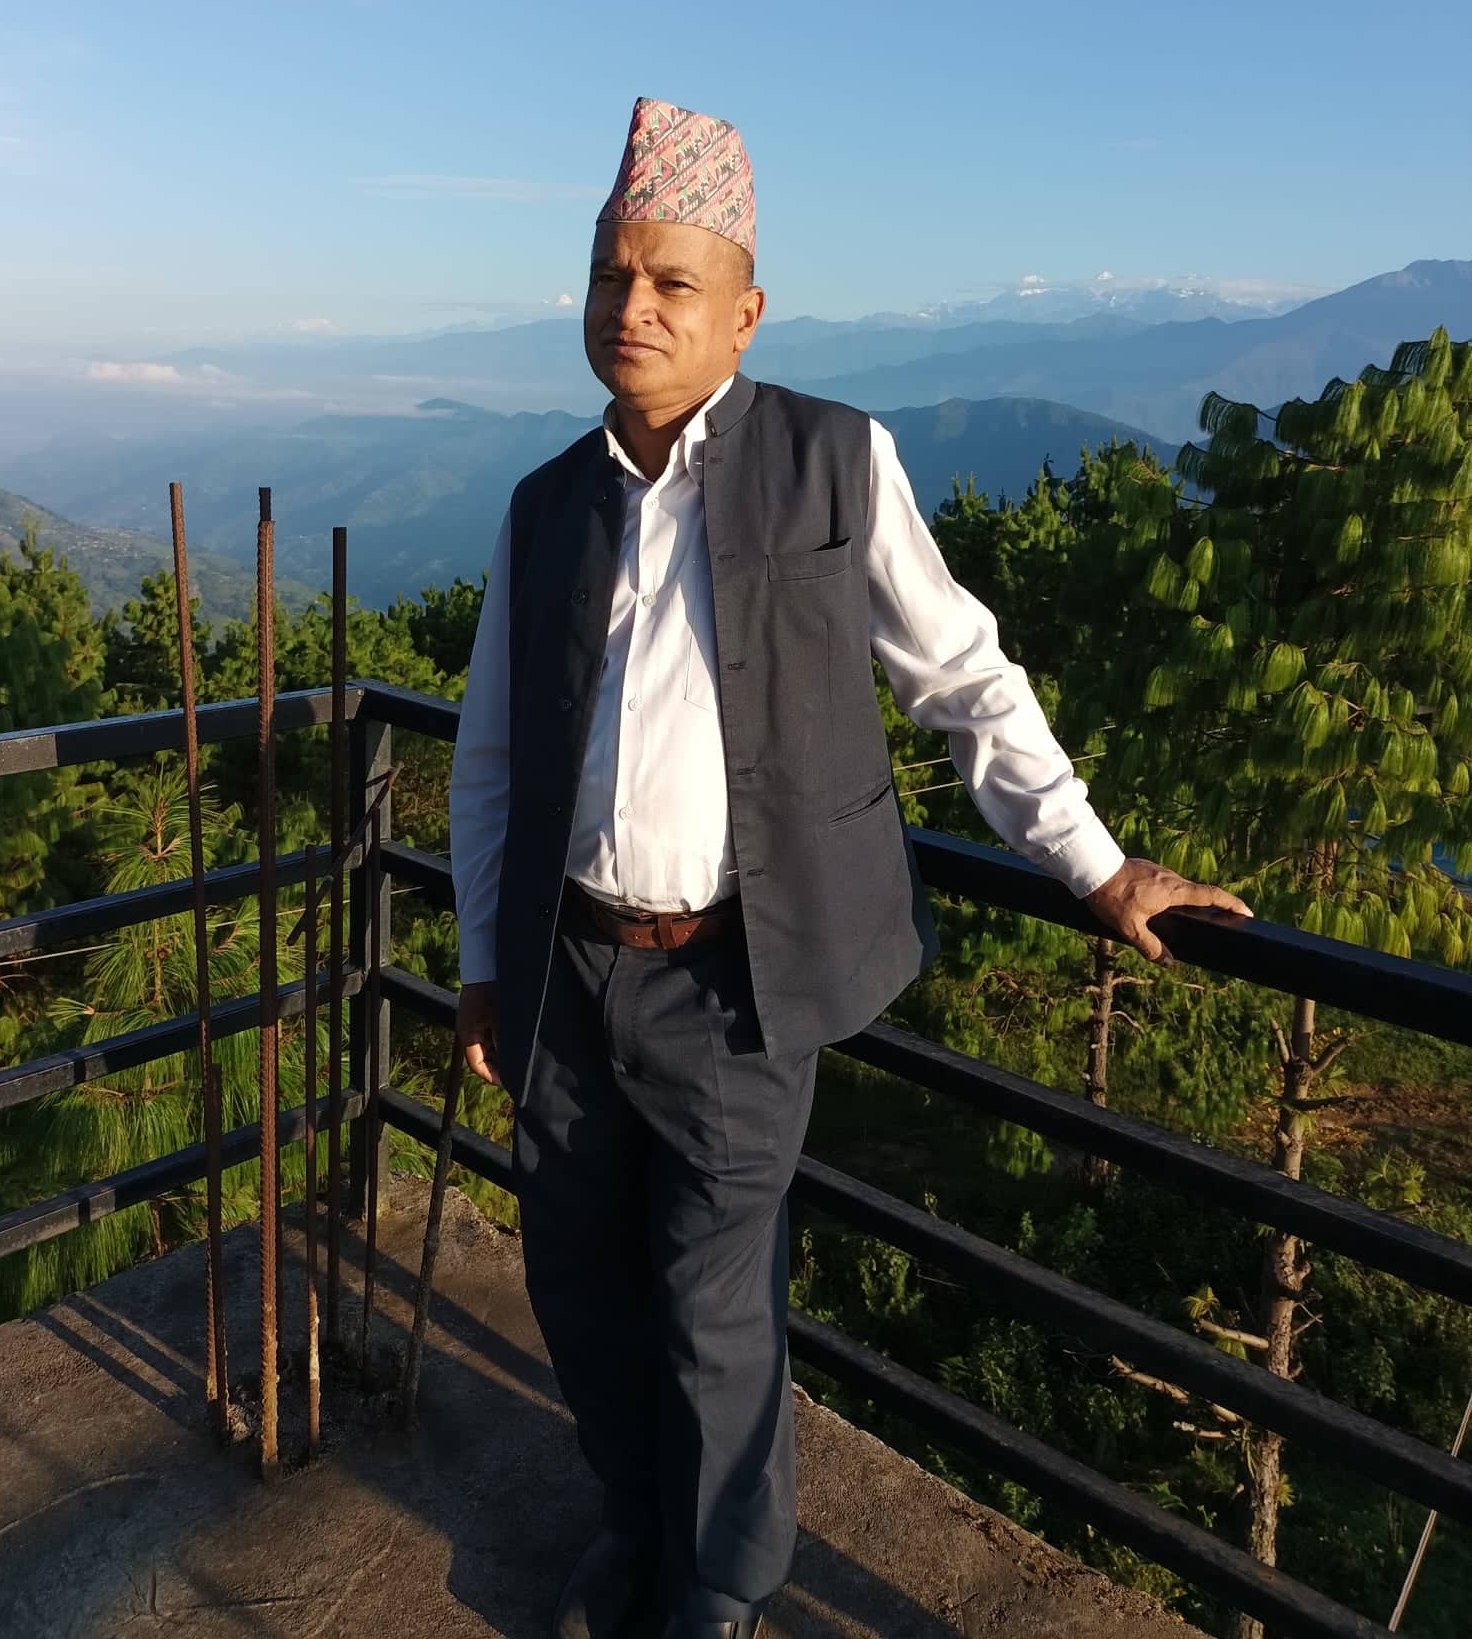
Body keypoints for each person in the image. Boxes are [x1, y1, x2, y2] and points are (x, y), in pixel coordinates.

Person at [449, 96, 1252, 1639]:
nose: (633, 307)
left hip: (736, 982)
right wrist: (486, 965)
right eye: (614, 276)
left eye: (672, 282)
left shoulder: (833, 461)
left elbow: (965, 680)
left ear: (744, 313)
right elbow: (488, 760)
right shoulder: (545, 508)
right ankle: (634, 1531)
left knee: (711, 1312)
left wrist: (1092, 865)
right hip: (563, 971)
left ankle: (719, 1592)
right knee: (582, 1291)